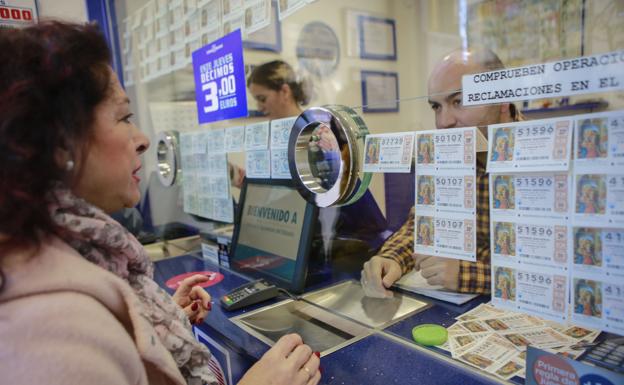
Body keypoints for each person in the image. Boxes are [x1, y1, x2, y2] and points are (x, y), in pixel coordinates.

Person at [0, 21, 320, 385]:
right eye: (123, 118)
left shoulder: (65, 255)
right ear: (60, 146)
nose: (142, 139)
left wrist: (158, 322)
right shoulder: (52, 332)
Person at [362, 48, 522, 297]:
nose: (444, 121)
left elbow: (566, 274)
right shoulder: (450, 152)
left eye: (459, 101)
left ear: (502, 99)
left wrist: (467, 275)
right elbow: (424, 225)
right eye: (436, 106)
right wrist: (389, 258)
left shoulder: (547, 160)